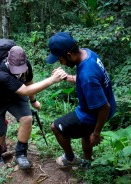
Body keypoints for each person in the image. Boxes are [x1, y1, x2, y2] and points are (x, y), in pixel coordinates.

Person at [0, 46, 67, 169]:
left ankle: (20, 154)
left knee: (27, 119)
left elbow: (29, 83)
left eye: (20, 68)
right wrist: (52, 80)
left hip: (14, 96)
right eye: (15, 68)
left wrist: (34, 101)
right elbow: (25, 90)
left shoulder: (26, 65)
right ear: (8, 60)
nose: (18, 71)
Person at [46, 32, 116, 167]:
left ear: (68, 55)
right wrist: (67, 77)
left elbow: (104, 107)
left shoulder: (87, 76)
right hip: (104, 105)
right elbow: (91, 80)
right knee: (85, 132)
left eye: (60, 59)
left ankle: (70, 158)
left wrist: (96, 133)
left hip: (96, 113)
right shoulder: (87, 54)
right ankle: (87, 162)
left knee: (55, 127)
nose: (61, 63)